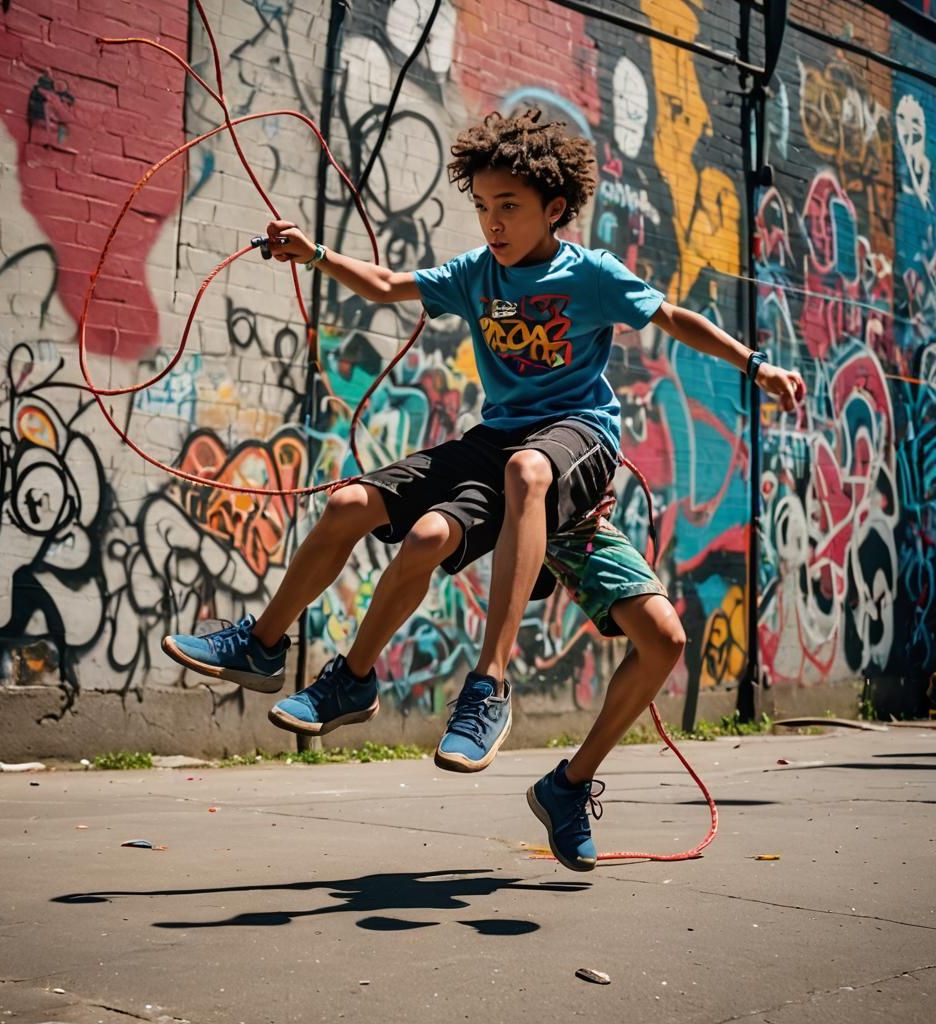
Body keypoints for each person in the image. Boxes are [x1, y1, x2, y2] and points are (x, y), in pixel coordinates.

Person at [162, 110, 806, 801]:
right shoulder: (476, 276)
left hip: (576, 434)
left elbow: (674, 318)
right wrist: (315, 254)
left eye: (509, 207)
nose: (492, 223)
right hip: (496, 441)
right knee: (364, 508)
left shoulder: (589, 275)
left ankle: (490, 684)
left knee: (529, 471)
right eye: (482, 208)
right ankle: (271, 648)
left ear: (554, 209)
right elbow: (385, 286)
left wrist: (755, 365)